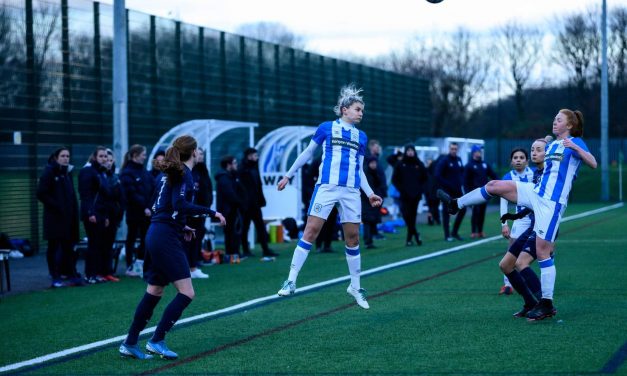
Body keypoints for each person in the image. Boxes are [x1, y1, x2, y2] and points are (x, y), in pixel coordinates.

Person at [438, 109, 597, 321]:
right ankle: (456, 204)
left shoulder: (575, 142)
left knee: (542, 252)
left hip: (551, 203)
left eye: (558, 119)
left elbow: (593, 163)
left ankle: (546, 304)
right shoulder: (554, 144)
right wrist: (547, 140)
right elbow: (544, 146)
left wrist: (575, 145)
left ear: (569, 125)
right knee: (494, 185)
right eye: (554, 117)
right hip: (536, 192)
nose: (554, 121)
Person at [275, 85, 383, 309]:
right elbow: (307, 153)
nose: (361, 113)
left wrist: (370, 193)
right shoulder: (326, 128)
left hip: (352, 191)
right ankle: (291, 280)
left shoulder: (361, 136)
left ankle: (355, 286)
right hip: (327, 187)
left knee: (352, 238)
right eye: (357, 109)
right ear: (344, 110)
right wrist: (288, 175)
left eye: (362, 110)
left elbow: (359, 169)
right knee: (311, 231)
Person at [119, 135, 225, 360]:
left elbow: (162, 206)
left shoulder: (168, 174)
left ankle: (130, 343)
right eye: (198, 150)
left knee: (155, 290)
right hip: (165, 237)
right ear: (193, 152)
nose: (199, 153)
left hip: (157, 233)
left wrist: (181, 224)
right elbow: (179, 204)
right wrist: (211, 212)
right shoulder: (184, 174)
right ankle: (156, 340)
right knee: (187, 292)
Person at [498, 137, 551, 317]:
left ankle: (546, 304)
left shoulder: (547, 173)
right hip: (525, 221)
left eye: (538, 150)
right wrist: (507, 220)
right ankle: (529, 301)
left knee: (523, 262)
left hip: (541, 223)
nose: (520, 159)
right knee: (506, 264)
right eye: (533, 149)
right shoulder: (526, 174)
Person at [36, 147, 81, 288]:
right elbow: (41, 193)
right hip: (54, 219)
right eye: (63, 155)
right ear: (56, 157)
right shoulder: (49, 171)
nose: (66, 158)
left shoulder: (67, 173)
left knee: (68, 248)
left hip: (68, 219)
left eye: (67, 156)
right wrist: (57, 206)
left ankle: (72, 275)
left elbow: (71, 195)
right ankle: (55, 277)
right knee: (53, 248)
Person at [496, 147, 534, 296]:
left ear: (527, 161)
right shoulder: (507, 177)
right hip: (520, 218)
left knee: (545, 250)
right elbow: (503, 202)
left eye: (521, 157)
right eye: (515, 158)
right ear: (511, 162)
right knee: (512, 249)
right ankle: (507, 285)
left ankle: (539, 283)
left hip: (537, 217)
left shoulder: (535, 174)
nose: (518, 160)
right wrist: (504, 224)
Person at [78, 146, 112, 284]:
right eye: (101, 156)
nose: (104, 158)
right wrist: (90, 212)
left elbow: (105, 196)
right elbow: (85, 194)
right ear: (94, 157)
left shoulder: (101, 172)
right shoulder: (88, 171)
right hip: (92, 213)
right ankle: (89, 274)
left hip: (101, 213)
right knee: (93, 244)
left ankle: (96, 273)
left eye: (105, 156)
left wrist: (106, 216)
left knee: (99, 244)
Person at [120, 144, 155, 278]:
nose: (145, 157)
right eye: (143, 154)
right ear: (135, 155)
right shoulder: (127, 172)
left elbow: (152, 189)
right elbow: (131, 193)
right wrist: (144, 207)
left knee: (146, 239)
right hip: (135, 213)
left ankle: (141, 264)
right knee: (132, 237)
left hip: (148, 212)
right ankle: (130, 266)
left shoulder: (145, 172)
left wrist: (151, 206)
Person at [239, 147, 278, 258]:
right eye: (255, 156)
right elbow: (243, 189)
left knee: (260, 226)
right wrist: (244, 203)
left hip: (255, 204)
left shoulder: (254, 168)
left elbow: (258, 185)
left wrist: (261, 199)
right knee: (245, 227)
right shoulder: (242, 169)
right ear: (249, 156)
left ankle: (265, 249)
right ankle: (246, 250)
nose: (257, 158)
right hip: (246, 205)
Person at [391, 144, 428, 246]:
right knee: (405, 214)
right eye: (408, 150)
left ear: (414, 152)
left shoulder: (419, 164)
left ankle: (409, 240)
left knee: (412, 217)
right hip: (404, 195)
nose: (410, 152)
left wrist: (420, 189)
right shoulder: (400, 164)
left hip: (416, 196)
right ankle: (416, 234)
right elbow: (394, 179)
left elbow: (425, 178)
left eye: (412, 150)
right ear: (406, 152)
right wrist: (401, 189)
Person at [215, 155, 247, 263]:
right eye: (234, 163)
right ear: (228, 165)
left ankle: (232, 254)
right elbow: (230, 194)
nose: (236, 165)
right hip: (228, 210)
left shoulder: (230, 176)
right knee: (231, 233)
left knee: (231, 233)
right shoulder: (224, 178)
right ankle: (233, 254)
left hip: (230, 209)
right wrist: (240, 203)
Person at [187, 147, 212, 278]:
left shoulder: (203, 170)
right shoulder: (189, 171)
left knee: (197, 239)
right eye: (199, 154)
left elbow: (208, 189)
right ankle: (190, 268)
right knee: (189, 240)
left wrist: (208, 207)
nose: (201, 156)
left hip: (201, 212)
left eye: (202, 154)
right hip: (191, 213)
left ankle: (193, 266)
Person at [435, 142, 466, 241]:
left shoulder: (459, 160)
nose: (454, 150)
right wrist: (447, 185)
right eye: (452, 149)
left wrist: (461, 184)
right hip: (447, 192)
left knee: (463, 209)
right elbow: (437, 175)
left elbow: (462, 173)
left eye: (455, 149)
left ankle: (454, 232)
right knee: (446, 212)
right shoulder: (444, 161)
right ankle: (447, 235)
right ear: (449, 149)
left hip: (458, 191)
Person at [464, 145, 497, 239]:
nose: (480, 153)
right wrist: (467, 194)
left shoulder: (484, 164)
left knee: (482, 212)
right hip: (474, 194)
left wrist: (501, 182)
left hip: (484, 193)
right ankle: (473, 231)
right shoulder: (469, 165)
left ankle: (480, 231)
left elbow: (493, 175)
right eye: (478, 151)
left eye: (480, 151)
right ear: (474, 152)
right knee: (475, 212)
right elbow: (465, 181)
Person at [101, 149, 124, 282]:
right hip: (105, 217)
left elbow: (120, 199)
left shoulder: (115, 177)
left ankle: (108, 271)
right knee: (103, 245)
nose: (108, 163)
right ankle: (102, 271)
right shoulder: (102, 177)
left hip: (114, 216)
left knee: (109, 244)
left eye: (111, 160)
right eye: (106, 160)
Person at [361, 156, 386, 249]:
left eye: (375, 163)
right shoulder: (365, 173)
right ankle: (367, 241)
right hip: (366, 200)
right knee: (367, 220)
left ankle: (371, 238)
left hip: (375, 199)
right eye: (372, 163)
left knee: (373, 219)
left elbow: (380, 184)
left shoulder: (376, 173)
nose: (374, 165)